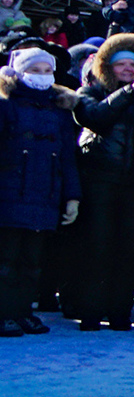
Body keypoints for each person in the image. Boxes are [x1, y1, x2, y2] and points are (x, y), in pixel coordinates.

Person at [72, 33, 134, 331]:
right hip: (100, 184)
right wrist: (132, 90)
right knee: (97, 249)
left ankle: (120, 313)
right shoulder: (89, 91)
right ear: (108, 67)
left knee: (129, 251)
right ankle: (90, 313)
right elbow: (95, 117)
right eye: (122, 64)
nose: (129, 68)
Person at [0, 48, 81, 336]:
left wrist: (72, 197)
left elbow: (68, 156)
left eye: (48, 71)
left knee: (33, 263)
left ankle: (23, 312)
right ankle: (4, 313)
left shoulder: (59, 109)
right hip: (11, 193)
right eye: (36, 70)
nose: (43, 76)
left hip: (45, 195)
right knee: (6, 261)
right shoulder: (6, 105)